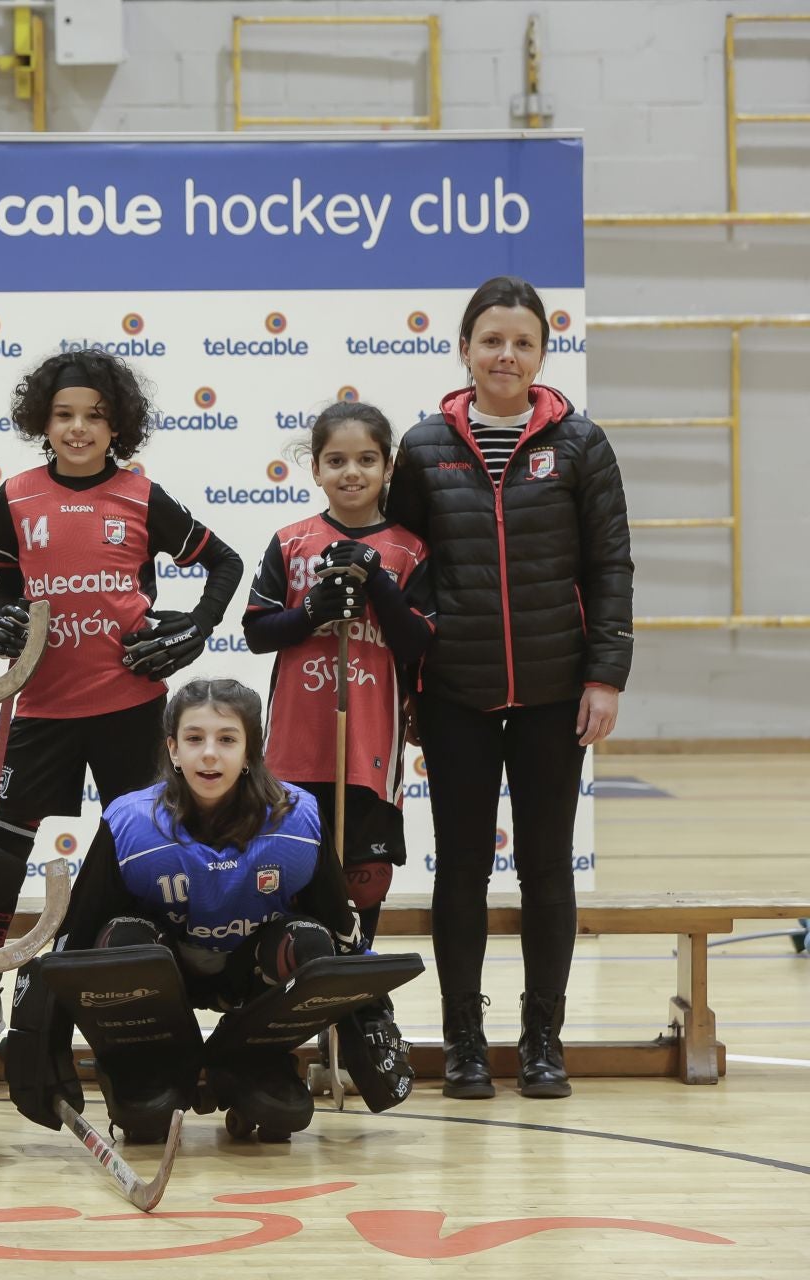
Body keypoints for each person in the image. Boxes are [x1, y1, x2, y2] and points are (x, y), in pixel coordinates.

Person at [0, 349, 243, 1082]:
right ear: (41, 422)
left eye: (94, 416)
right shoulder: (15, 496)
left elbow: (227, 564)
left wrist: (197, 628)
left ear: (118, 426)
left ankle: (144, 998)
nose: (78, 428)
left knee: (147, 858)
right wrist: (3, 624)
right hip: (44, 707)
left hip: (129, 708)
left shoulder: (141, 495)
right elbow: (3, 597)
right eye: (64, 416)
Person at [386, 274, 634, 1100]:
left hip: (556, 690)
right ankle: (462, 1039)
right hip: (455, 691)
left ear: (542, 352)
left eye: (522, 341)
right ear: (464, 349)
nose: (506, 354)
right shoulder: (423, 448)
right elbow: (404, 579)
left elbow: (610, 568)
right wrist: (412, 685)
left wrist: (605, 675)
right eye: (491, 339)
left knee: (546, 870)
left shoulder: (582, 445)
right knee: (459, 869)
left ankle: (543, 1041)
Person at [3, 679, 373, 1142]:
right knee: (120, 939)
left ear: (251, 751)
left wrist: (374, 1022)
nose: (210, 754)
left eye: (227, 739)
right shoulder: (130, 822)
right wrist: (39, 1037)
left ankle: (257, 1060)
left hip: (251, 975)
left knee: (310, 941)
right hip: (162, 974)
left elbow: (343, 936)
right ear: (173, 750)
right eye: (195, 739)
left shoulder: (297, 819)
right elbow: (74, 940)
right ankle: (146, 1065)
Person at [243, 401, 436, 945]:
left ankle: (359, 993)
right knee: (292, 873)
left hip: (370, 743)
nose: (352, 473)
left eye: (367, 460)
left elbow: (418, 641)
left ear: (388, 467)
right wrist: (310, 611)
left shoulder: (409, 549)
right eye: (337, 461)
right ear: (316, 469)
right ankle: (297, 984)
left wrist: (378, 583)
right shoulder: (291, 542)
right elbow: (258, 632)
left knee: (365, 880)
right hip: (297, 744)